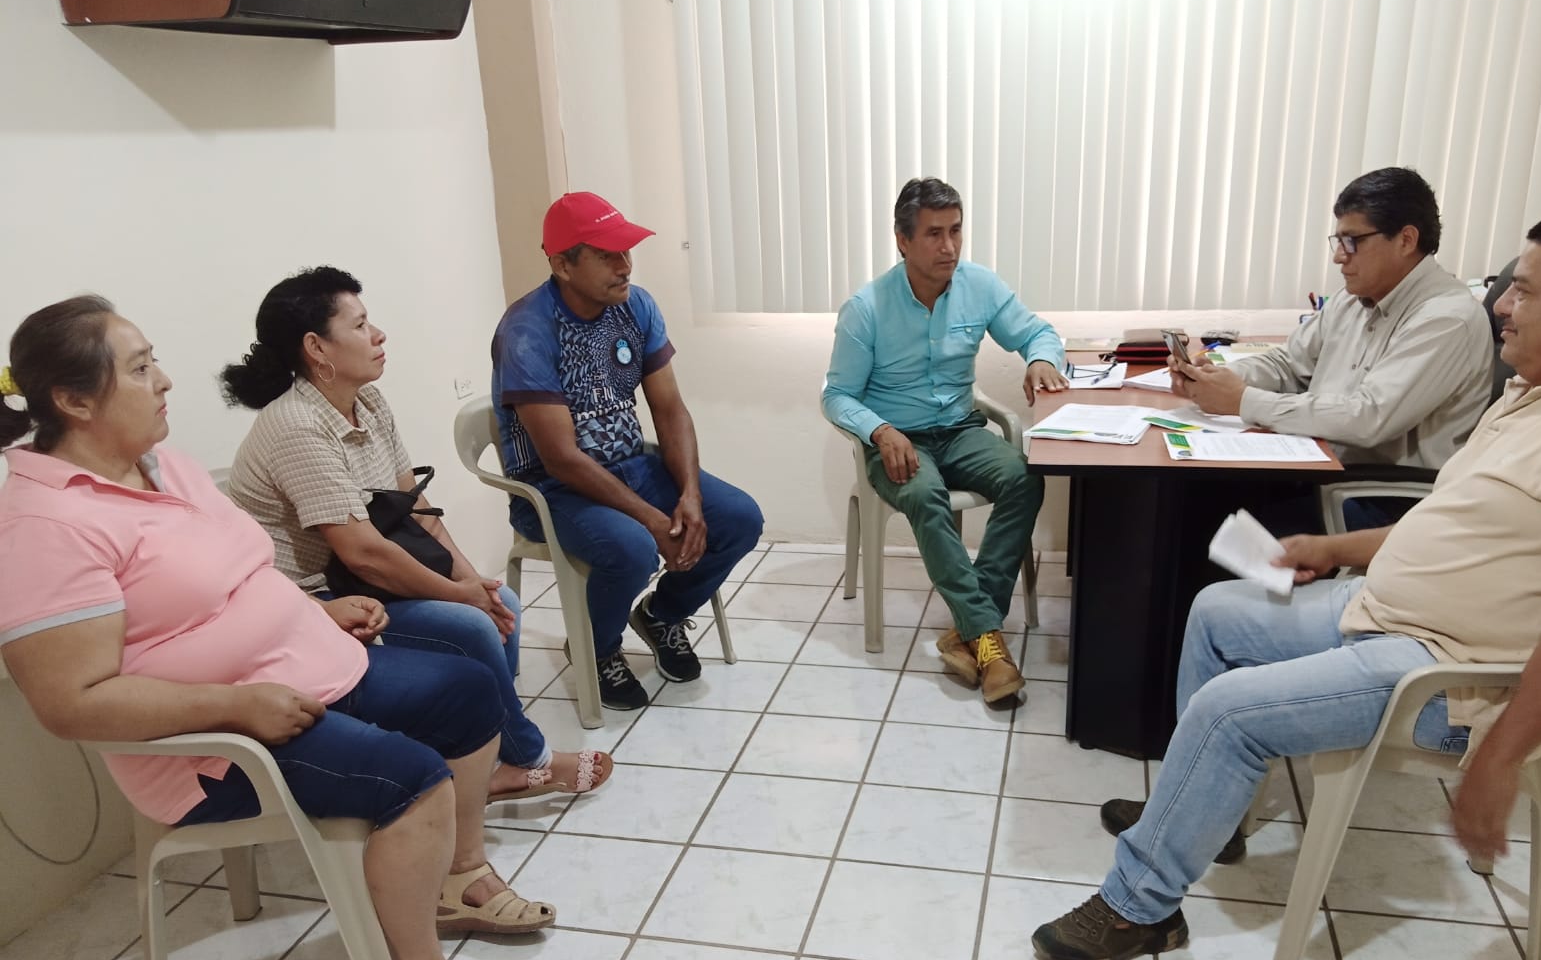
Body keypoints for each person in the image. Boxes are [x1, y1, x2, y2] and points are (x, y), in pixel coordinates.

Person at [1031, 206, 1541, 960]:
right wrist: (1332, 548)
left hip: (1443, 673)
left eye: (1523, 290)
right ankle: (1201, 812)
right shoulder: (1530, 397)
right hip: (1380, 609)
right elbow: (1446, 524)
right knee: (1215, 610)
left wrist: (1499, 759)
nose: (1499, 303)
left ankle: (1139, 906)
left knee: (1226, 711)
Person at [0, 296, 554, 960]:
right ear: (73, 400)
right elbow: (69, 703)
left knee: (467, 690)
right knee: (413, 778)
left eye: (154, 360)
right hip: (215, 744)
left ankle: (455, 879)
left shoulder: (164, 465)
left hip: (301, 674)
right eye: (140, 367)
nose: (164, 381)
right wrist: (236, 706)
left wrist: (313, 613)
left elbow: (239, 576)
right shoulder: (43, 526)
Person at [222, 267, 611, 804]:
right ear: (317, 347)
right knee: (471, 625)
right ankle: (526, 759)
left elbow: (416, 507)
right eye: (360, 325)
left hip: (360, 577)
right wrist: (460, 596)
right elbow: (362, 552)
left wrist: (475, 583)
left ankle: (488, 757)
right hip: (315, 601)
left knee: (501, 603)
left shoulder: (367, 402)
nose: (378, 334)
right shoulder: (296, 427)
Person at [491, 192, 765, 710]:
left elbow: (671, 409)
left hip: (634, 465)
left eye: (626, 251)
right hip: (553, 491)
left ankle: (662, 615)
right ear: (562, 265)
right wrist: (653, 520)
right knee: (635, 548)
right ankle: (596, 648)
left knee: (739, 518)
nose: (625, 266)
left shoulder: (636, 306)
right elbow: (561, 459)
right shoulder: (526, 330)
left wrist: (688, 495)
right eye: (606, 255)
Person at [822, 177, 1065, 704]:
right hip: (897, 440)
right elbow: (836, 395)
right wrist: (879, 430)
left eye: (955, 231)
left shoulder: (980, 285)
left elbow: (1037, 332)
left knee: (1025, 477)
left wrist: (1041, 358)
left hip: (959, 430)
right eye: (934, 234)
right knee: (925, 494)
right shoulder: (866, 307)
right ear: (903, 240)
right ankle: (989, 644)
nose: (949, 246)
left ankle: (970, 631)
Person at [1170, 167, 1492, 529]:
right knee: (1195, 496)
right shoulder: (1353, 297)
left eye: (1352, 241)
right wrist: (1216, 378)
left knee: (1217, 520)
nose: (1339, 257)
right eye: (1337, 241)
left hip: (1384, 501)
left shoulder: (1447, 318)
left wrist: (1243, 400)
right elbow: (1290, 363)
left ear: (1406, 240)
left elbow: (1368, 417)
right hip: (1322, 465)